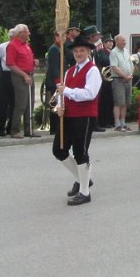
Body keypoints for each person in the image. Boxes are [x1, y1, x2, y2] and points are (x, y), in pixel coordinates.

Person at [52, 35, 101, 206]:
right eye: (76, 51)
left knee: (80, 152)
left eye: (82, 50)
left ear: (88, 52)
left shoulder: (93, 70)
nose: (78, 53)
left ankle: (85, 191)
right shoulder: (69, 71)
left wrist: (68, 91)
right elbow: (61, 92)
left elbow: (89, 94)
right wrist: (59, 105)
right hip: (68, 115)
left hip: (84, 115)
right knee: (59, 150)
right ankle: (82, 179)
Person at [6, 24, 40, 139]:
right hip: (19, 76)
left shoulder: (26, 45)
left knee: (29, 103)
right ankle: (14, 130)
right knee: (21, 103)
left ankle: (29, 129)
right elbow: (10, 64)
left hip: (29, 75)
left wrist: (34, 62)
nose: (29, 34)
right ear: (21, 33)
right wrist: (24, 75)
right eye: (27, 31)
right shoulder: (12, 45)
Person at [45, 31, 71, 136]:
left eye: (65, 36)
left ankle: (58, 127)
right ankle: (54, 129)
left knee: (59, 104)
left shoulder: (59, 48)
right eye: (63, 36)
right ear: (56, 36)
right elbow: (55, 67)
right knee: (55, 104)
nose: (64, 38)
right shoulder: (54, 49)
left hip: (59, 80)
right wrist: (58, 82)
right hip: (54, 82)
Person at [109, 34, 134, 132]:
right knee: (118, 102)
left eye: (125, 40)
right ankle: (117, 124)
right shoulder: (114, 52)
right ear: (117, 41)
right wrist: (125, 76)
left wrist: (130, 75)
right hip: (118, 79)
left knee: (125, 103)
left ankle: (123, 123)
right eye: (122, 40)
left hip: (128, 79)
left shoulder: (127, 51)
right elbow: (114, 67)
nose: (125, 42)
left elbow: (132, 64)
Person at [0, 28, 16, 136]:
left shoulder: (13, 46)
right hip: (6, 73)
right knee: (3, 102)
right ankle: (0, 127)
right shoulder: (3, 46)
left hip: (13, 73)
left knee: (13, 102)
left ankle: (10, 127)